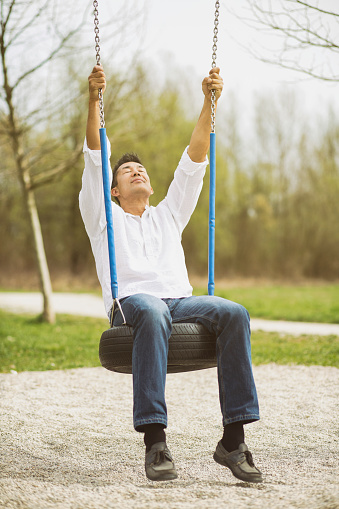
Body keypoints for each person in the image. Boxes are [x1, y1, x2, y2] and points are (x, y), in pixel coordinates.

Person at [79, 65, 263, 483]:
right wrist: (94, 100)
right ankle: (155, 441)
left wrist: (208, 102)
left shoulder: (168, 215)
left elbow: (194, 159)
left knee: (234, 312)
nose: (137, 171)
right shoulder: (103, 218)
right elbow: (94, 158)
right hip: (132, 305)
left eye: (141, 169)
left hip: (180, 302)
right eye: (127, 172)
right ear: (113, 190)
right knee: (152, 310)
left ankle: (233, 440)